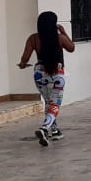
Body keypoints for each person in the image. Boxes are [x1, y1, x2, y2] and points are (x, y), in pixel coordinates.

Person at [17, 11, 75, 146]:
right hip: (57, 73)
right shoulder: (60, 38)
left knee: (49, 102)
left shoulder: (33, 38)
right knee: (55, 104)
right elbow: (71, 48)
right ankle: (44, 128)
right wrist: (64, 32)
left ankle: (54, 131)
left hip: (39, 73)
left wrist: (22, 64)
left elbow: (25, 58)